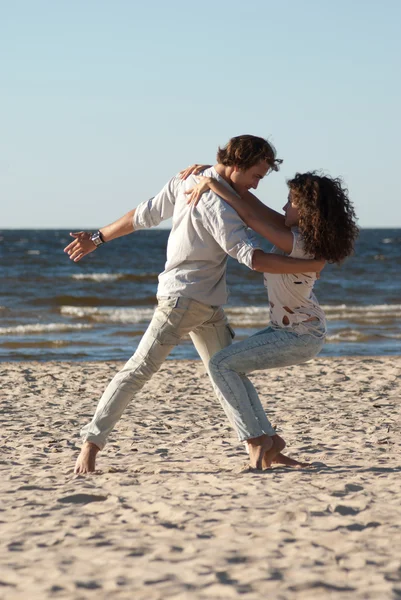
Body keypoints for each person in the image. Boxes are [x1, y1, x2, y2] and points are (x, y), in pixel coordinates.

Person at [65, 135, 325, 474]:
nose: (257, 185)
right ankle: (90, 445)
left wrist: (98, 238)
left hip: (206, 304)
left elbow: (142, 216)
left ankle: (262, 444)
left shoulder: (192, 180)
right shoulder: (218, 205)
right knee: (139, 370)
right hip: (182, 300)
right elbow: (250, 256)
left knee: (228, 372)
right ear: (236, 165)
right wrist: (311, 264)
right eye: (255, 177)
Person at [181, 166, 358, 468]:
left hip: (299, 335)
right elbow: (256, 207)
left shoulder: (300, 242)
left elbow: (250, 219)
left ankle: (259, 440)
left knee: (221, 364)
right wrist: (218, 176)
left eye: (291, 201)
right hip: (293, 330)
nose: (284, 206)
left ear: (307, 209)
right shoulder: (297, 234)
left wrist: (213, 184)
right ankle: (270, 441)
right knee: (230, 366)